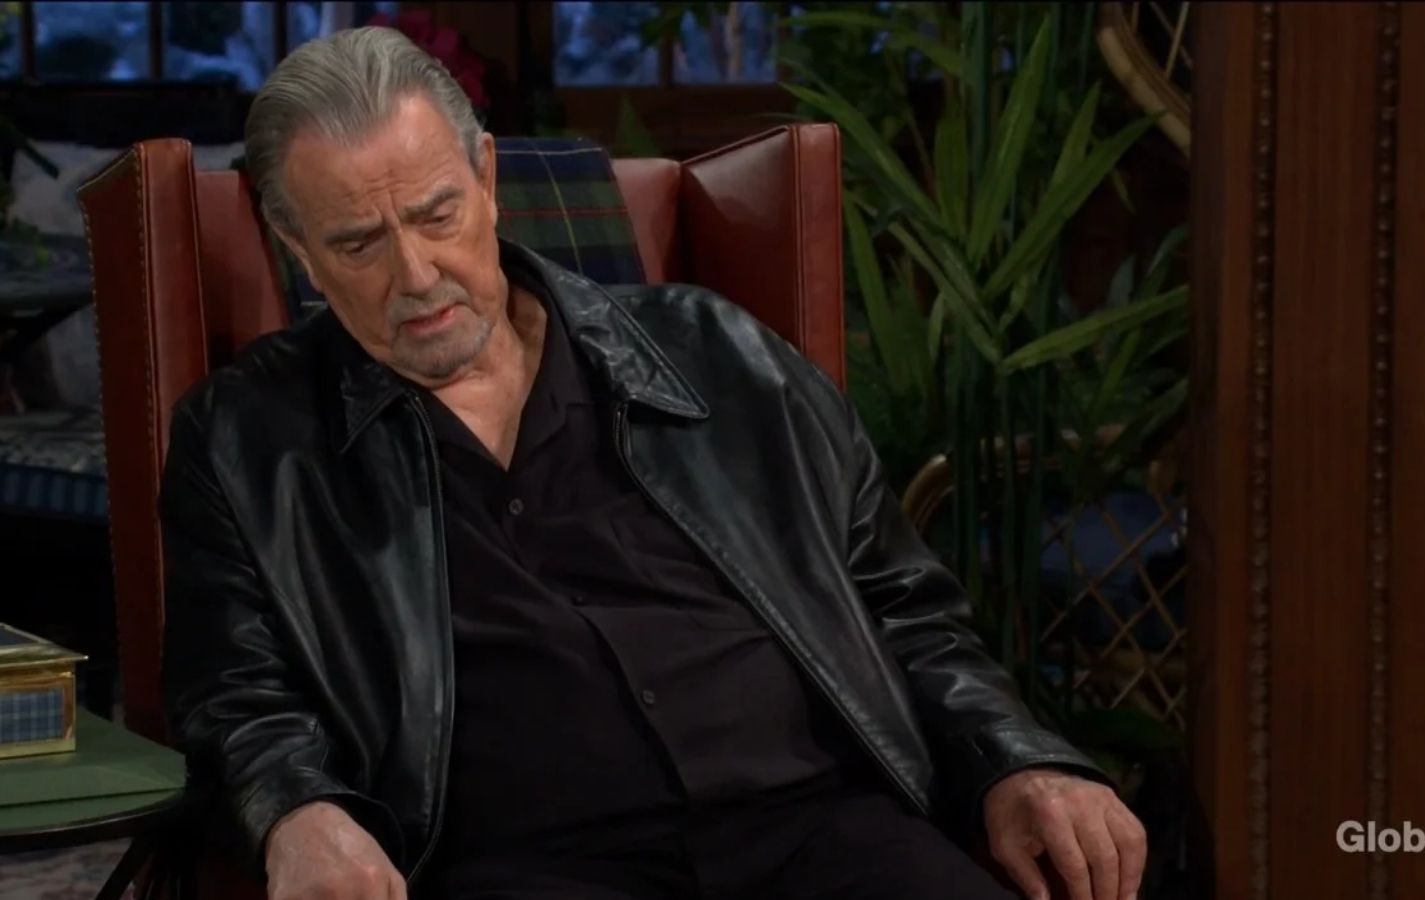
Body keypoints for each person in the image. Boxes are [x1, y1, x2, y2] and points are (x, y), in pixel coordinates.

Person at [159, 26, 1147, 900]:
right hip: (531, 867)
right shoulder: (250, 440)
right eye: (358, 244)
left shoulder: (718, 353)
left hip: (818, 831)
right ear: (297, 246)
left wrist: (1015, 758)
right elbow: (236, 696)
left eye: (435, 215)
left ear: (487, 177)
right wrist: (296, 813)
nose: (415, 276)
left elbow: (903, 608)